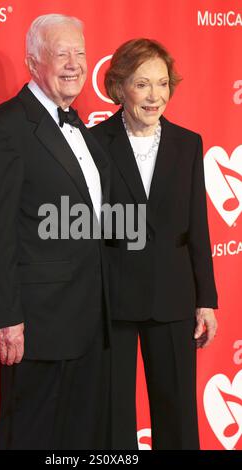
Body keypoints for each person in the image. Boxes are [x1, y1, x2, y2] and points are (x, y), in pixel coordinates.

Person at [0, 14, 111, 450]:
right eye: (61, 53)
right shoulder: (6, 126)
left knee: (78, 438)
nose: (74, 64)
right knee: (31, 435)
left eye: (80, 53)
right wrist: (4, 318)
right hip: (37, 324)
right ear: (33, 62)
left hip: (88, 319)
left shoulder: (77, 122)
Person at [91, 38, 218, 450]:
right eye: (142, 84)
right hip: (113, 299)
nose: (154, 96)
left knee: (178, 415)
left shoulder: (188, 143)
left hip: (174, 298)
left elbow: (198, 226)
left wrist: (207, 300)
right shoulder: (93, 143)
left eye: (162, 84)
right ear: (118, 88)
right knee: (112, 419)